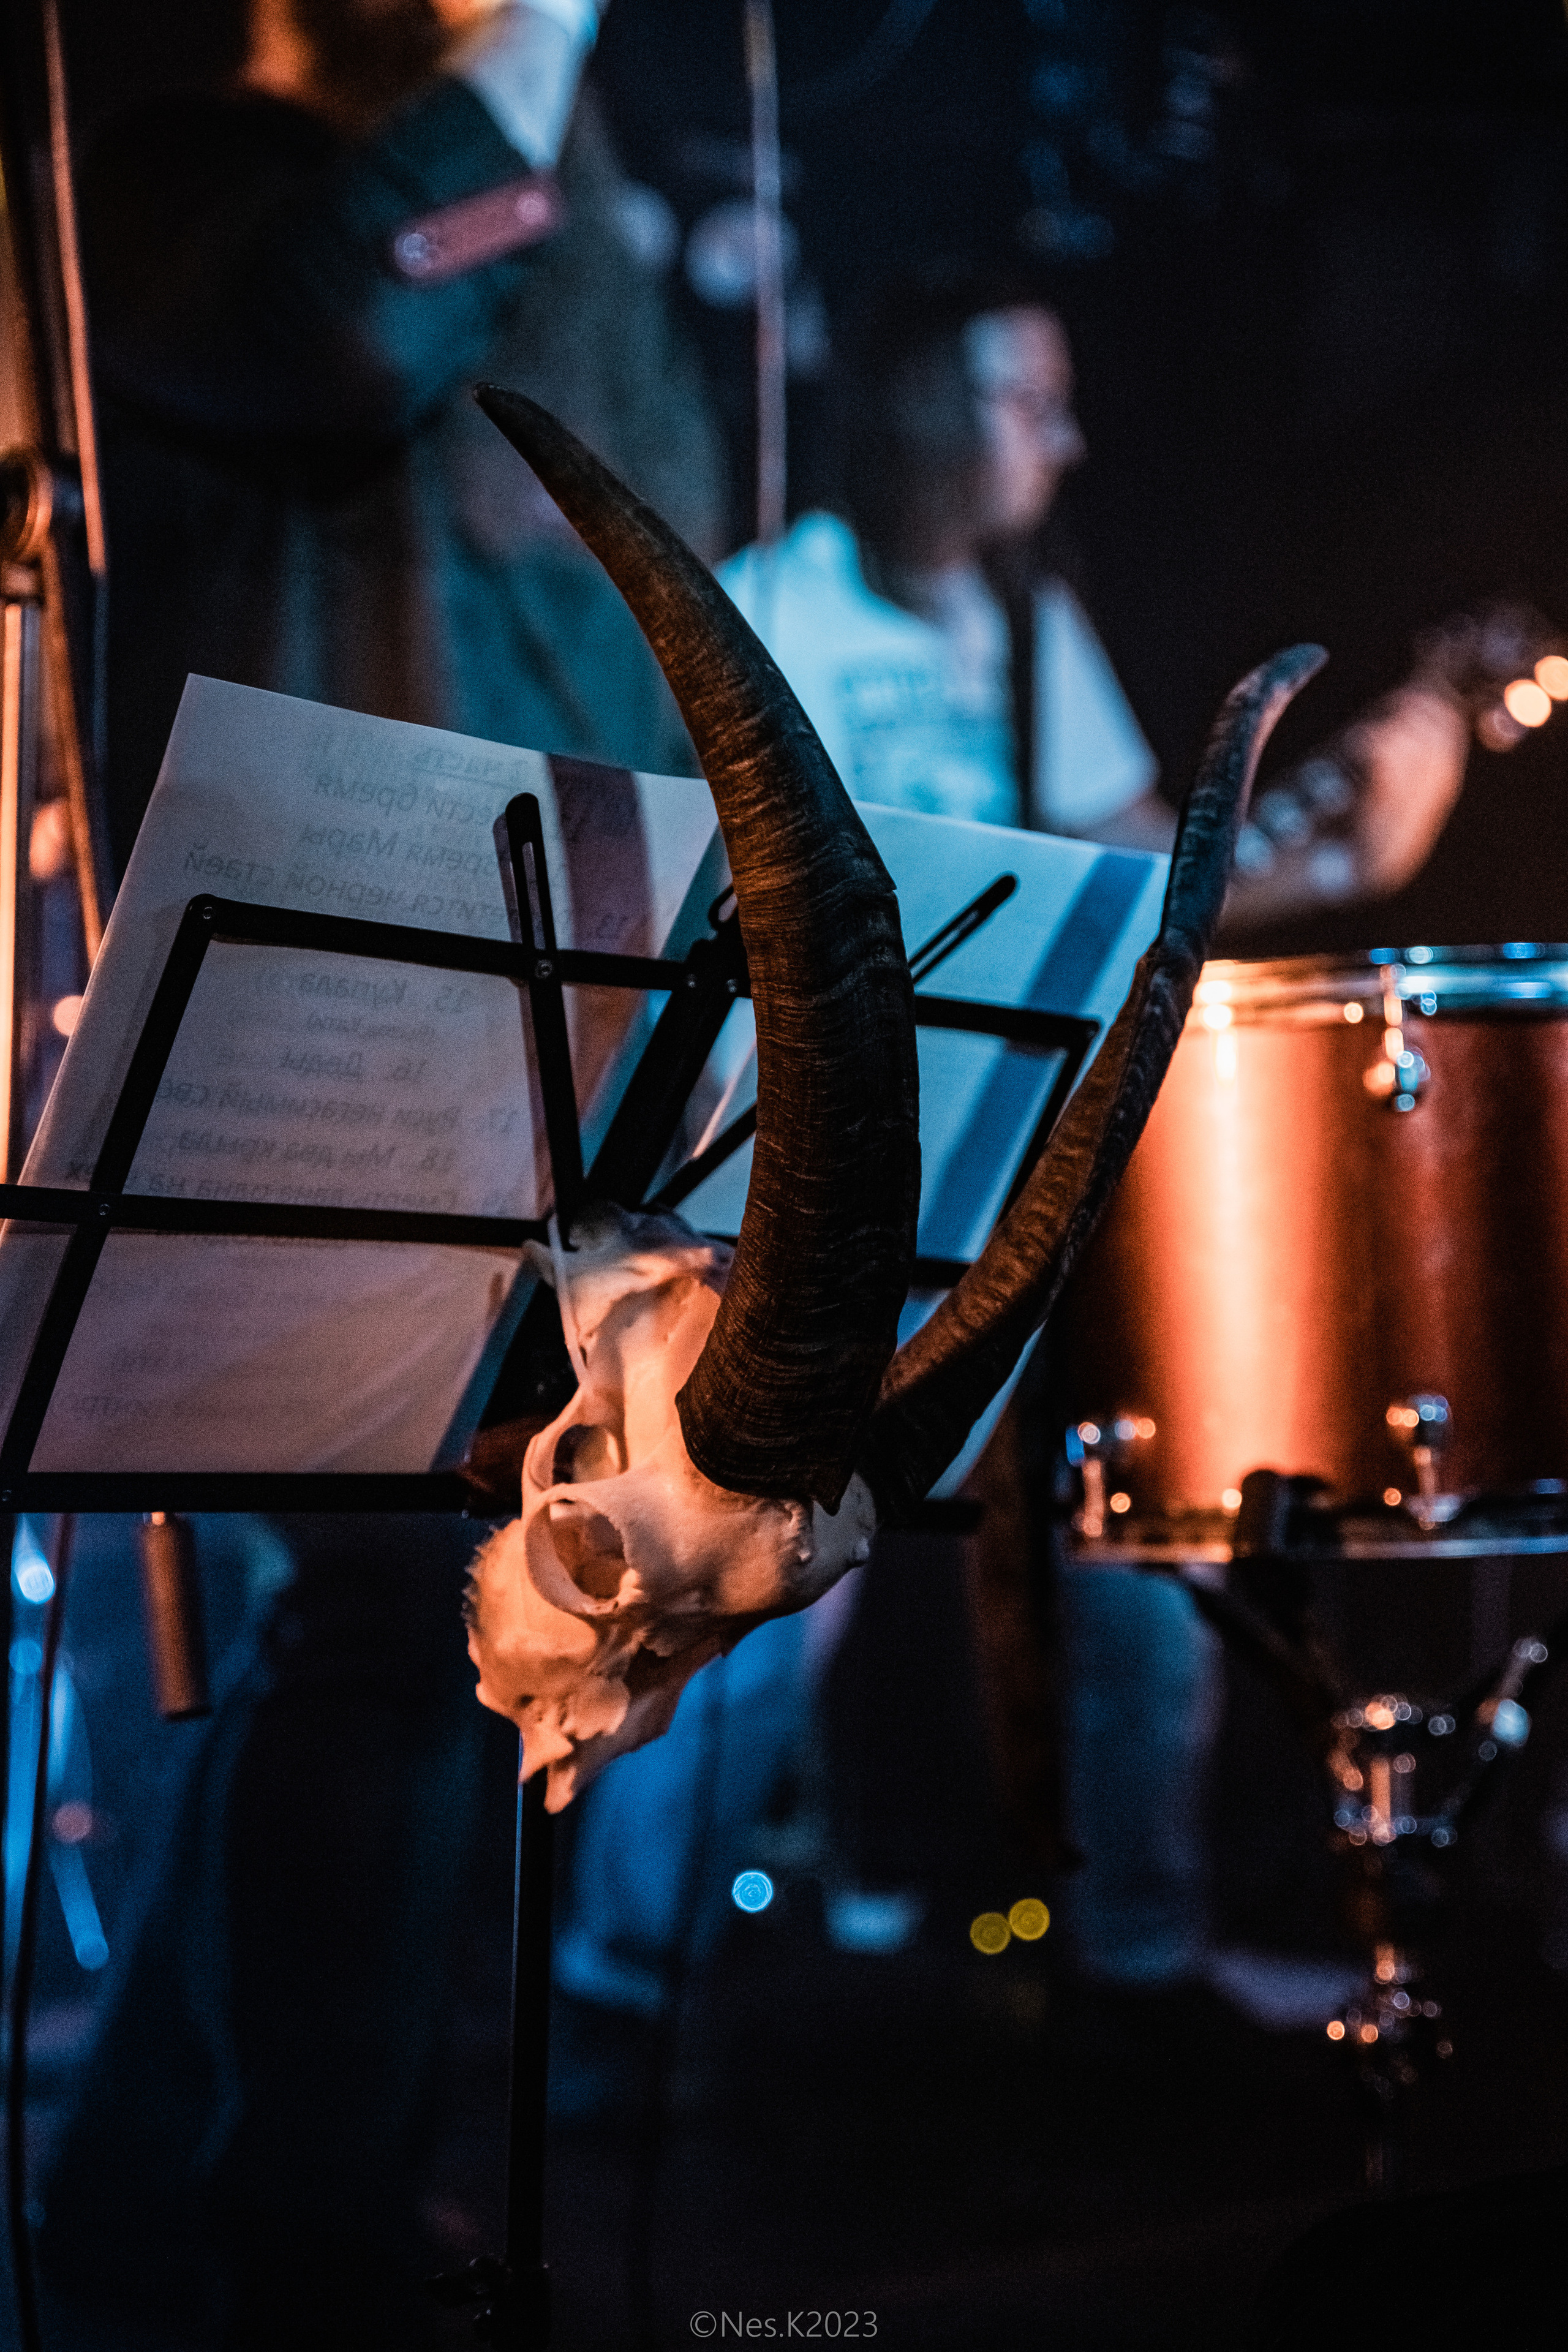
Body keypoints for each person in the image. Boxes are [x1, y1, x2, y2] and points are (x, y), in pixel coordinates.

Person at [552, 267, 1537, 2025]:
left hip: (1020, 1164)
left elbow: (1129, 868)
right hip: (798, 1194)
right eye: (1027, 399)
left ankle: (1137, 1953)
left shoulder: (1023, 626)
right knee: (770, 1583)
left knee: (1156, 1544)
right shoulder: (782, 599)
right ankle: (631, 1985)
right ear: (930, 401)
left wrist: (1332, 841)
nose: (1066, 441)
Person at [41, 5, 725, 2344]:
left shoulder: (576, 212)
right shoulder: (180, 172)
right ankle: (285, 2236)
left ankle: (170, 2203)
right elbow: (335, 331)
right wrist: (521, 62)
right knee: (368, 1630)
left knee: (447, 1644)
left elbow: (656, 569)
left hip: (585, 1001)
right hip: (339, 986)